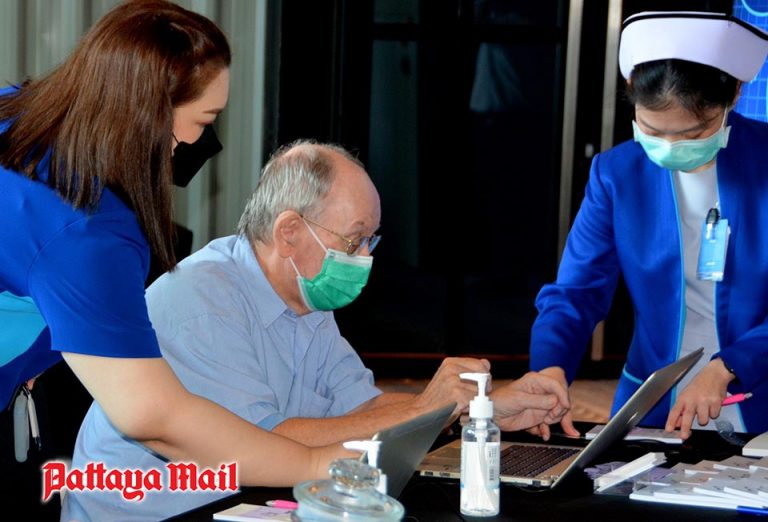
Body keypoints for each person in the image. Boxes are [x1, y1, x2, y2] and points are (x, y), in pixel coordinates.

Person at [63, 140, 572, 520]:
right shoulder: (201, 299)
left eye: (371, 241)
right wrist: (427, 407)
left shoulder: (305, 296)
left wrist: (480, 407)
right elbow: (268, 443)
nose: (365, 258)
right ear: (289, 232)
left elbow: (363, 410)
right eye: (354, 240)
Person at [0, 0, 354, 514]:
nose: (201, 141)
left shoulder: (22, 113)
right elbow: (154, 417)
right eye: (204, 119)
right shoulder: (86, 233)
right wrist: (315, 463)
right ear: (148, 116)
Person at [529, 11, 768, 441]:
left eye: (693, 134)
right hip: (653, 404)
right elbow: (576, 291)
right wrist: (550, 366)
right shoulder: (617, 174)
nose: (671, 148)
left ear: (734, 93)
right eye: (653, 131)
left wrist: (729, 365)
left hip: (759, 396)